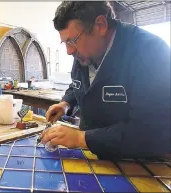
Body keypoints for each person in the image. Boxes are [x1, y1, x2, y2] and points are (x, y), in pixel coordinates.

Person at [41, 1, 170, 160]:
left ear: (100, 25)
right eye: (65, 42)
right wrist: (65, 104)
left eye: (72, 41)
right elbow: (79, 84)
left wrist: (81, 138)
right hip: (92, 156)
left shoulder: (151, 51)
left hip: (138, 163)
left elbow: (149, 130)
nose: (69, 51)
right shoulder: (84, 52)